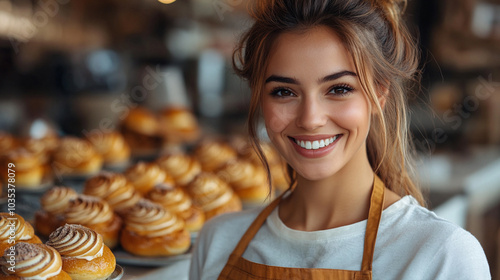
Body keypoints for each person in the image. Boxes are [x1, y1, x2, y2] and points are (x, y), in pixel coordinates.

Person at [189, 0, 491, 279]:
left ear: (380, 94)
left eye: (339, 89)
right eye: (283, 91)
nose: (310, 119)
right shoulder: (217, 241)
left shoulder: (441, 255)